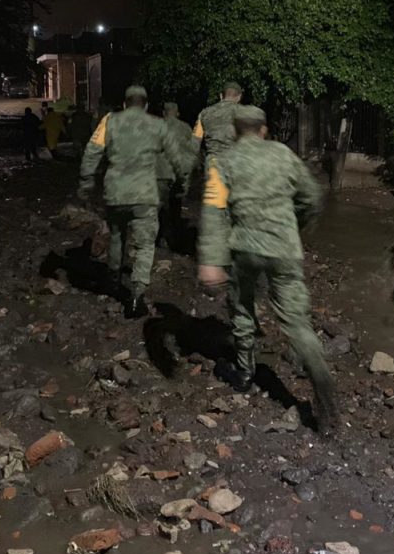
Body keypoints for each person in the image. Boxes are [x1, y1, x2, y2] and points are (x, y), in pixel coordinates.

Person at [197, 105, 338, 432]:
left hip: (244, 247)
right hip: (284, 248)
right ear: (263, 129)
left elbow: (214, 212)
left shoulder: (224, 161)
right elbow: (313, 197)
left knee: (242, 306)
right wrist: (297, 226)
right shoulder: (283, 155)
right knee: (296, 321)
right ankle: (323, 386)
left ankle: (245, 372)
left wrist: (210, 260)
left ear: (235, 130)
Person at [79, 85, 192, 318]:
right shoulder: (158, 125)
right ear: (147, 105)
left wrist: (86, 183)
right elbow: (178, 159)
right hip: (144, 195)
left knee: (117, 236)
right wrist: (182, 181)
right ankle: (136, 295)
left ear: (124, 104)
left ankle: (113, 280)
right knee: (145, 245)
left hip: (115, 193)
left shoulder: (109, 122)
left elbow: (91, 152)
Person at [156, 102, 195, 247]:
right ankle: (175, 237)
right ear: (177, 112)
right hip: (177, 173)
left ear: (164, 113)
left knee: (160, 208)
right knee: (175, 206)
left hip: (160, 173)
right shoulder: (185, 128)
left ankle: (161, 237)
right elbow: (191, 153)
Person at [193, 81, 243, 162]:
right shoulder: (244, 113)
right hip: (235, 164)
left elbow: (195, 143)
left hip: (213, 165)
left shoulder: (204, 113)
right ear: (239, 97)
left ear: (220, 96)